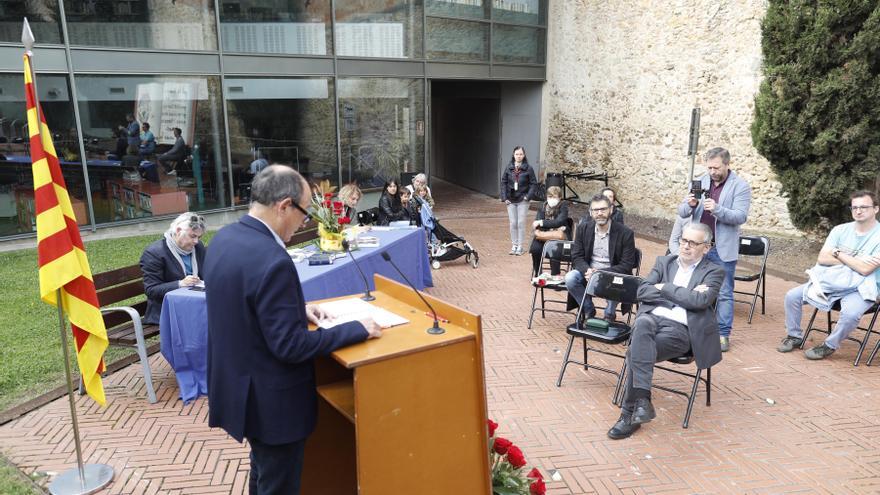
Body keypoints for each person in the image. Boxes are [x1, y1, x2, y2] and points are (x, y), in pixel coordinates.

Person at [203, 165, 383, 495]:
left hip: (241, 389)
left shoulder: (225, 239)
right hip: (273, 402)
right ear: (284, 205)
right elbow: (290, 346)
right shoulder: (273, 259)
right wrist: (356, 329)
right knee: (278, 484)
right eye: (304, 212)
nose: (307, 222)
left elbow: (239, 304)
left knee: (263, 472)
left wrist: (294, 310)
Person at [608, 223, 724, 440]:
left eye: (693, 242)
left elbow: (700, 300)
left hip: (680, 331)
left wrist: (665, 287)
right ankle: (641, 403)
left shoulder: (714, 272)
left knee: (636, 351)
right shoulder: (664, 261)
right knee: (642, 325)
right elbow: (642, 290)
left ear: (706, 248)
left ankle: (628, 415)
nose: (686, 246)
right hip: (651, 321)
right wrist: (684, 295)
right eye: (683, 240)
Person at [778, 190, 880, 360]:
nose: (858, 211)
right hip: (832, 282)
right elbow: (823, 258)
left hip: (863, 287)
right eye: (854, 207)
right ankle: (794, 336)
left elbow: (865, 269)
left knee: (850, 314)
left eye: (864, 207)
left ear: (875, 209)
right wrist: (854, 260)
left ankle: (829, 345)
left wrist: (838, 253)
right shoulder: (840, 230)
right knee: (791, 296)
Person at [677, 147, 751, 352]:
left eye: (716, 167)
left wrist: (717, 209)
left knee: (725, 292)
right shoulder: (701, 181)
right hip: (698, 246)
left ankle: (722, 334)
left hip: (721, 247)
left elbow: (740, 216)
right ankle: (691, 327)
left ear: (727, 164)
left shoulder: (740, 186)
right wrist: (691, 204)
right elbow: (682, 211)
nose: (712, 172)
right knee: (692, 286)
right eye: (709, 167)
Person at [565, 194, 637, 323]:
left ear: (611, 209)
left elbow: (626, 265)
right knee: (570, 277)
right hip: (589, 272)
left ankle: (609, 314)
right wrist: (587, 270)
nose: (600, 213)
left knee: (618, 281)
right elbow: (576, 256)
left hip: (613, 274)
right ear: (590, 212)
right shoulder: (583, 229)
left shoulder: (625, 233)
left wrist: (600, 274)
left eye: (603, 209)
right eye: (595, 210)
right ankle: (588, 309)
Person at [139, 213, 207, 325]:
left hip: (195, 304)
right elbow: (151, 290)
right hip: (167, 311)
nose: (196, 241)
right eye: (193, 236)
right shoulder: (154, 253)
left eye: (198, 237)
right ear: (179, 230)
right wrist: (180, 284)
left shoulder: (198, 247)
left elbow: (206, 274)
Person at [500, 146, 538, 255]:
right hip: (511, 199)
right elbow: (504, 182)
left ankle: (520, 246)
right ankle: (514, 245)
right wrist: (504, 197)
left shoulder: (528, 168)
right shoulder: (509, 167)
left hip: (523, 199)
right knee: (513, 223)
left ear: (524, 155)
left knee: (520, 223)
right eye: (517, 154)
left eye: (521, 154)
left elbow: (533, 184)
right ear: (513, 155)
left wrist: (528, 196)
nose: (519, 156)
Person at [528, 186, 569, 277]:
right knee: (535, 249)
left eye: (554, 197)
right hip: (544, 235)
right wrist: (543, 223)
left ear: (560, 198)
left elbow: (559, 221)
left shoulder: (563, 206)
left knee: (554, 249)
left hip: (558, 236)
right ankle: (538, 273)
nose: (552, 199)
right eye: (550, 197)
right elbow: (537, 223)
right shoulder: (543, 206)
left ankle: (555, 275)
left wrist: (542, 222)